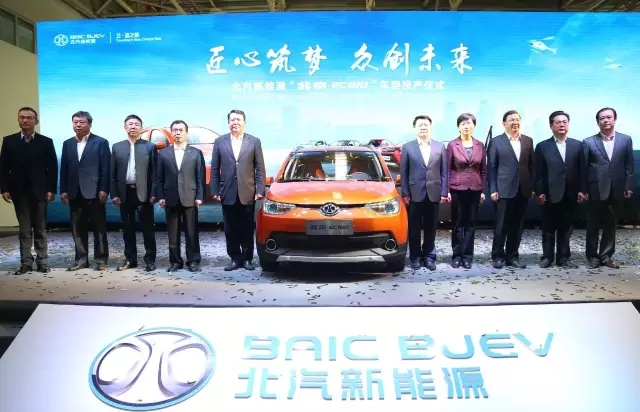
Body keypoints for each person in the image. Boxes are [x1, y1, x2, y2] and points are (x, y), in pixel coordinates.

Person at [0, 107, 58, 275]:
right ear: (18, 120)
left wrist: (51, 189)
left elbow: (52, 168)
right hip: (18, 192)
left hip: (40, 192)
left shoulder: (46, 142)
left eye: (29, 118)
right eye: (22, 117)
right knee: (24, 230)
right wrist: (4, 189)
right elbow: (3, 168)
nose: (25, 120)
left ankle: (42, 261)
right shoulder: (9, 141)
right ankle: (26, 263)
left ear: (36, 121)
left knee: (40, 229)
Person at [211, 109, 266, 272]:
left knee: (247, 228)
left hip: (247, 191)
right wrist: (215, 190)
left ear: (244, 122)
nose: (235, 122)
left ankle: (248, 259)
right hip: (227, 191)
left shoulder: (254, 141)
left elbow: (260, 168)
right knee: (230, 229)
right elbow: (215, 168)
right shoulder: (219, 141)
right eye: (232, 120)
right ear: (228, 123)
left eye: (238, 120)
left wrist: (260, 189)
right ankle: (235, 258)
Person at [580, 107, 634, 269]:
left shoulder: (626, 140)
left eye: (609, 117)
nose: (606, 120)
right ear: (598, 122)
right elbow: (584, 168)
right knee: (593, 225)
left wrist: (628, 186)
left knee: (611, 225)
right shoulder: (588, 142)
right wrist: (583, 190)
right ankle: (592, 256)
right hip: (595, 189)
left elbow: (629, 166)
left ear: (615, 119)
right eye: (602, 118)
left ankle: (606, 256)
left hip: (617, 188)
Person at [59, 111, 110, 271]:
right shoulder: (67, 143)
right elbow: (64, 169)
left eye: (82, 122)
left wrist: (104, 188)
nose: (78, 125)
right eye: (75, 122)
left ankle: (100, 260)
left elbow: (105, 168)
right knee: (77, 228)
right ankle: (81, 260)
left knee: (98, 227)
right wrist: (63, 190)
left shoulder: (100, 142)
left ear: (89, 124)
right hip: (74, 191)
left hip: (95, 191)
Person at [534, 111, 583, 269]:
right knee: (548, 228)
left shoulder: (578, 145)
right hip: (549, 193)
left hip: (570, 193)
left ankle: (563, 258)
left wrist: (582, 190)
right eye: (558, 122)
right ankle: (547, 257)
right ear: (551, 126)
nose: (562, 125)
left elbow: (582, 170)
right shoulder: (542, 146)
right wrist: (539, 192)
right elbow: (538, 172)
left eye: (565, 122)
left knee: (566, 228)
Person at [487, 110, 535, 269]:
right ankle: (497, 256)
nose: (515, 122)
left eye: (517, 119)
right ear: (504, 123)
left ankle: (512, 256)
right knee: (501, 225)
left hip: (523, 189)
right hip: (503, 189)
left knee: (518, 226)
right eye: (511, 120)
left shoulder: (528, 141)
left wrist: (531, 186)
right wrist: (493, 189)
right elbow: (492, 168)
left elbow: (531, 166)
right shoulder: (496, 142)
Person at [400, 115, 448, 271]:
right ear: (415, 128)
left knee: (431, 228)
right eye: (420, 125)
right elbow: (404, 172)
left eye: (426, 125)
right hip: (414, 193)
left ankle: (429, 256)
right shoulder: (408, 147)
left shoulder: (440, 146)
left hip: (433, 192)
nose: (423, 127)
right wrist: (405, 193)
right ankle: (415, 257)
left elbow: (444, 171)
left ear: (430, 127)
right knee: (414, 228)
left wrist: (444, 191)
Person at [155, 120, 204, 273]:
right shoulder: (163, 153)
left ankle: (193, 261)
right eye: (175, 130)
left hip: (190, 197)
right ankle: (175, 261)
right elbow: (159, 178)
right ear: (171, 133)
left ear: (186, 133)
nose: (177, 133)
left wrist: (199, 196)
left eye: (180, 130)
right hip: (170, 197)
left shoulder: (196, 153)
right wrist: (160, 196)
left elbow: (200, 177)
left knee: (191, 232)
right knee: (172, 233)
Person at [110, 115, 158, 272]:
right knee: (127, 229)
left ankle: (150, 260)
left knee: (147, 229)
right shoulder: (117, 147)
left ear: (141, 128)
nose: (133, 127)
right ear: (125, 127)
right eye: (130, 124)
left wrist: (154, 193)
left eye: (136, 124)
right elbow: (113, 173)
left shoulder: (149, 147)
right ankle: (130, 259)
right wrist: (114, 194)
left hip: (144, 193)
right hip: (125, 193)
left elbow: (155, 173)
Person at [446, 113, 487, 269]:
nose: (466, 126)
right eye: (463, 124)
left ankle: (468, 257)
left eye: (469, 123)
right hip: (457, 189)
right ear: (458, 127)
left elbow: (484, 170)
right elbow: (447, 168)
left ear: (474, 126)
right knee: (457, 224)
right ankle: (456, 256)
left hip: (475, 189)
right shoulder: (452, 145)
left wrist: (483, 190)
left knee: (470, 224)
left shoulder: (480, 145)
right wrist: (447, 190)